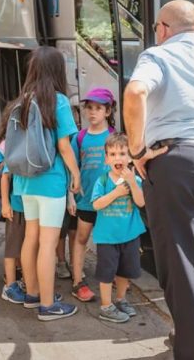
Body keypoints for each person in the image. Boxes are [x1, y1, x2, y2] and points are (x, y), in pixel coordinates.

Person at [124, 0, 194, 359]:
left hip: (179, 165)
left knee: (180, 265)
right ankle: (192, 339)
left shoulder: (158, 56)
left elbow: (134, 92)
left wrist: (138, 151)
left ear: (162, 29)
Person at [11, 46, 81, 321]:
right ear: (57, 70)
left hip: (25, 180)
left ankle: (33, 294)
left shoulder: (23, 99)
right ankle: (49, 305)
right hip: (50, 182)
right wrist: (75, 174)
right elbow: (64, 145)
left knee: (31, 238)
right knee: (49, 243)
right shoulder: (58, 101)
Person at [91, 133, 145, 323]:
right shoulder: (103, 181)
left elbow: (141, 202)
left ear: (130, 157)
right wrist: (116, 193)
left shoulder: (135, 181)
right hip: (107, 237)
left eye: (122, 153)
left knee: (125, 271)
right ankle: (106, 306)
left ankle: (120, 300)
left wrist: (131, 182)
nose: (118, 158)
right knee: (107, 273)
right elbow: (96, 204)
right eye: (112, 154)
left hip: (129, 235)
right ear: (106, 159)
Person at [68, 87, 116, 302]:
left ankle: (111, 275)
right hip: (86, 201)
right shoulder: (80, 138)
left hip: (110, 201)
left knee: (110, 240)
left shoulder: (114, 136)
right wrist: (71, 197)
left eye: (98, 108)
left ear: (108, 111)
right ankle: (78, 280)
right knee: (81, 238)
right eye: (89, 108)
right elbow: (72, 169)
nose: (92, 112)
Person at [0, 104, 27, 303]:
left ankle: (25, 280)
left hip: (29, 207)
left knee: (26, 246)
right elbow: (5, 177)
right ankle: (10, 285)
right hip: (16, 207)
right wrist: (6, 203)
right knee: (13, 247)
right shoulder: (14, 147)